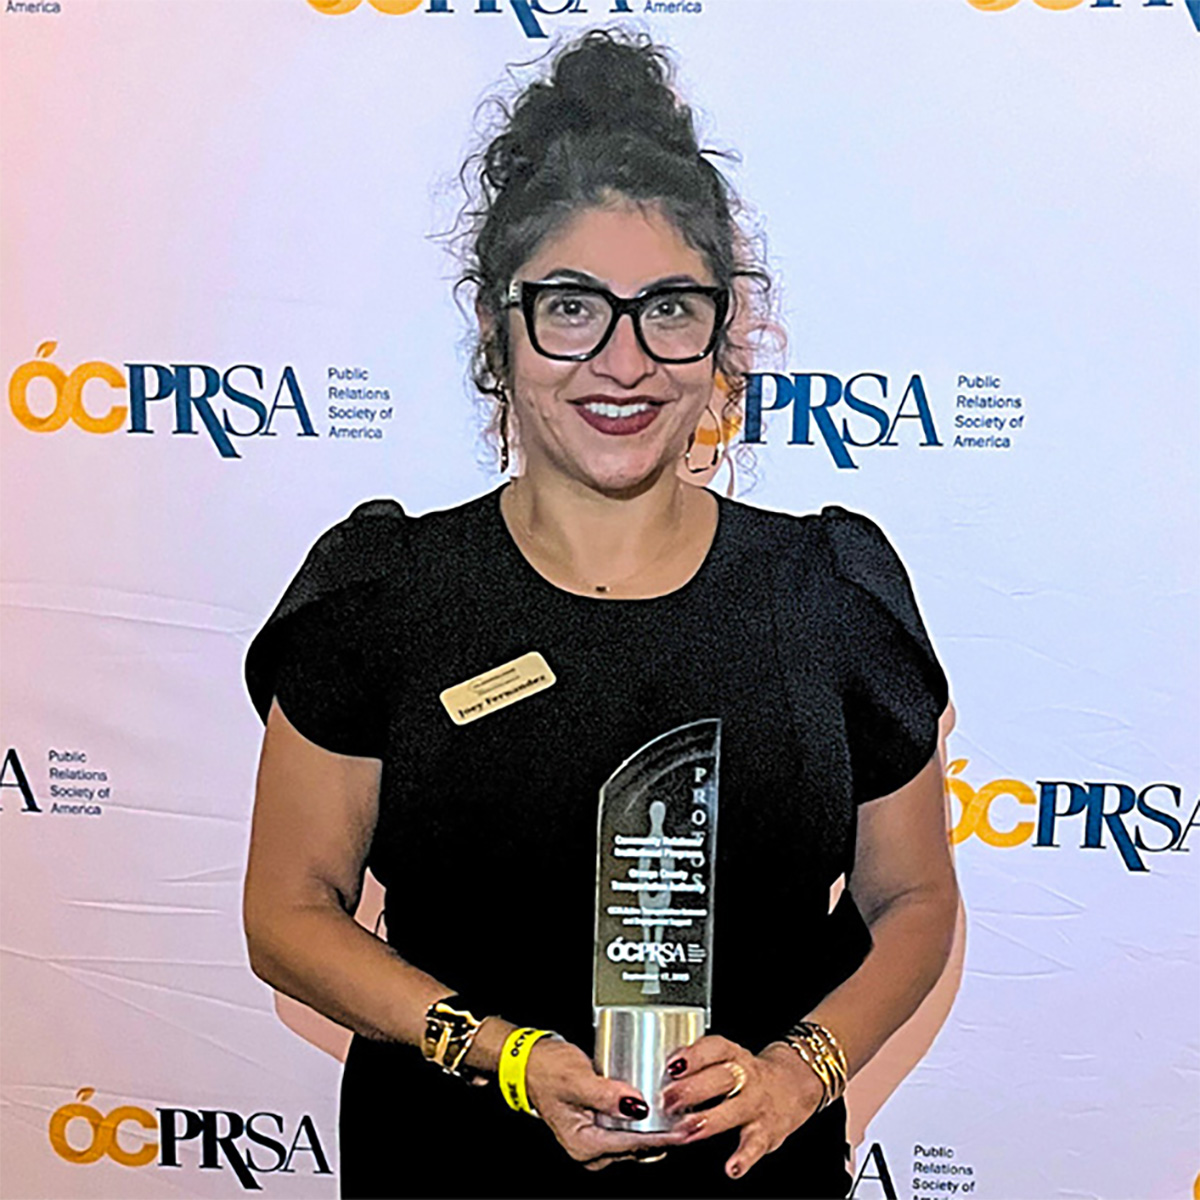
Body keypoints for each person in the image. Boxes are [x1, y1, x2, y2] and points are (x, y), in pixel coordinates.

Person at [243, 30, 959, 1200]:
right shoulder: (387, 596)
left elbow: (915, 898)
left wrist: (801, 1072)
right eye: (572, 307)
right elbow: (285, 912)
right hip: (450, 1168)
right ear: (499, 324)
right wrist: (501, 1053)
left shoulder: (826, 592)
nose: (623, 363)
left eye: (668, 308)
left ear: (720, 332)